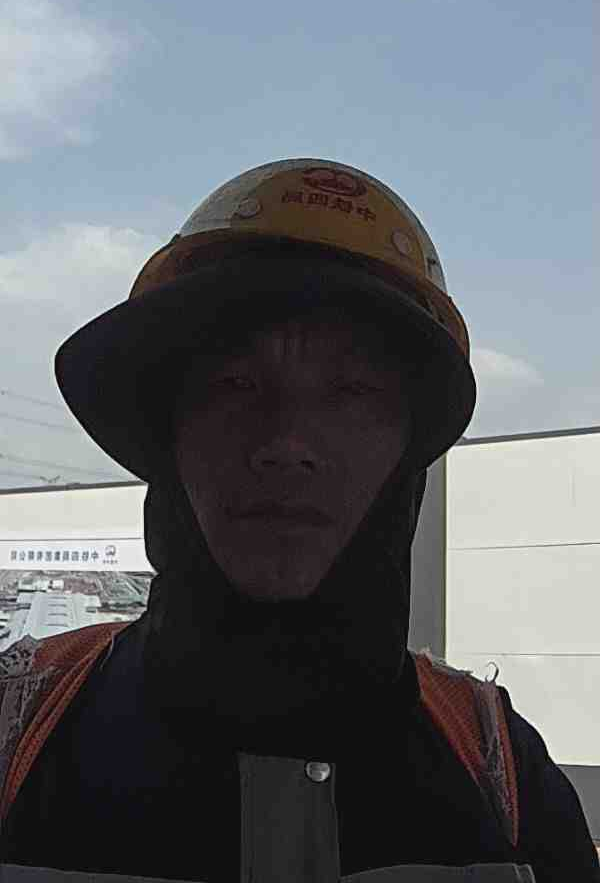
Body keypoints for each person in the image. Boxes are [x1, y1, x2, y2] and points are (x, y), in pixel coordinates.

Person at [0, 159, 598, 883]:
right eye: (234, 383)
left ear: (407, 456)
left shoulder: (501, 768)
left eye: (352, 391)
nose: (285, 442)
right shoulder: (16, 729)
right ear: (167, 434)